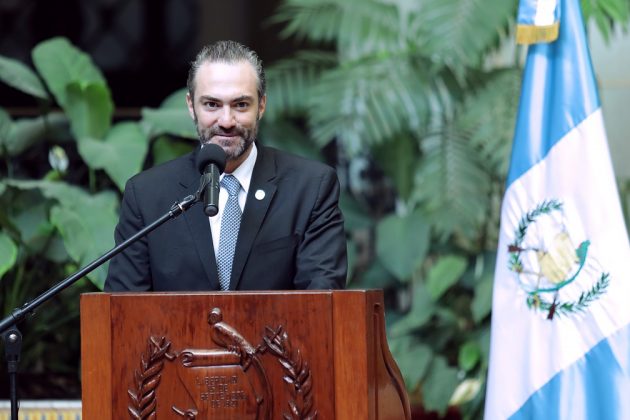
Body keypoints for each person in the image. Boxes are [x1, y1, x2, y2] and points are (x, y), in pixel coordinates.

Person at [104, 40, 347, 291]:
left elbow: (322, 299)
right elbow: (123, 305)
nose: (227, 121)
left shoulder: (311, 187)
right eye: (212, 104)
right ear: (191, 106)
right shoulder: (146, 195)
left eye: (241, 105)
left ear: (261, 106)